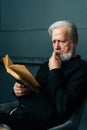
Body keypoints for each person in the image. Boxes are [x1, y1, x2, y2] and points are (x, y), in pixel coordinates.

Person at [0, 20, 87, 130]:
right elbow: (35, 92)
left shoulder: (82, 69)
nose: (56, 47)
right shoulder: (47, 64)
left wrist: (55, 71)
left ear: (75, 42)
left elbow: (63, 106)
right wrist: (19, 91)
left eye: (61, 41)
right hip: (22, 114)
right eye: (54, 42)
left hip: (42, 122)